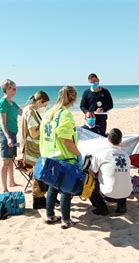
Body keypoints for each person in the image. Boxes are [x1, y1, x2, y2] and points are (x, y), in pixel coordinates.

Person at [39, 86, 81, 229]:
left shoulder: (48, 113)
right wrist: (78, 154)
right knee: (65, 189)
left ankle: (49, 215)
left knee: (52, 185)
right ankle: (66, 220)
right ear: (73, 98)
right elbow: (65, 139)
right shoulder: (65, 114)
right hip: (63, 157)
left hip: (48, 155)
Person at [88, 128, 132, 215]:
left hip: (109, 194)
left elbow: (92, 172)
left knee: (90, 183)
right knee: (121, 176)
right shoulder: (126, 155)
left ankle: (101, 208)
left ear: (108, 139)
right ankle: (121, 206)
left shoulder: (101, 154)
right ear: (120, 140)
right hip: (126, 193)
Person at [20, 91, 50, 209]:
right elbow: (33, 133)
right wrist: (44, 126)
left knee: (38, 174)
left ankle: (41, 198)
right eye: (44, 104)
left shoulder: (32, 110)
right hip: (32, 149)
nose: (45, 107)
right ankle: (38, 201)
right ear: (39, 102)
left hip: (34, 148)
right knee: (37, 175)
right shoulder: (30, 112)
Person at [0, 79, 23, 192]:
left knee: (11, 159)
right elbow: (2, 122)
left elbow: (21, 112)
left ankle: (12, 182)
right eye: (12, 88)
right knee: (5, 162)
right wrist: (7, 137)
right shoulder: (2, 103)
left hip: (13, 133)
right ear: (6, 89)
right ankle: (4, 188)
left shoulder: (12, 102)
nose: (14, 91)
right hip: (5, 134)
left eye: (15, 89)